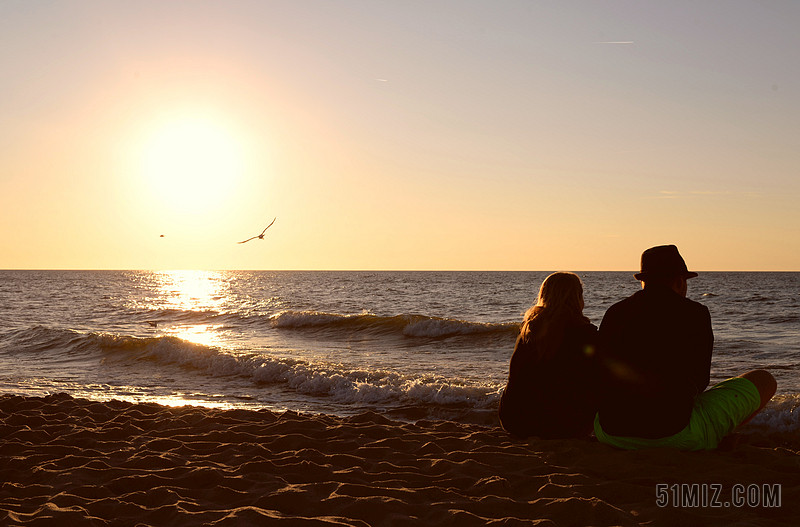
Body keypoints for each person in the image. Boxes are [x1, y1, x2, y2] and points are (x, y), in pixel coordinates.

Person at [594, 244, 777, 450]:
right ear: (680, 281)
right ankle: (717, 435)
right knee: (765, 380)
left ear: (643, 281)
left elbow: (599, 372)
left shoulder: (615, 312)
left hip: (610, 433)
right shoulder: (695, 313)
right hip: (675, 433)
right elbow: (701, 380)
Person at [499, 272, 598, 439]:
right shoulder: (585, 333)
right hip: (563, 426)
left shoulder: (529, 329)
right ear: (577, 297)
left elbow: (515, 376)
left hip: (514, 420)